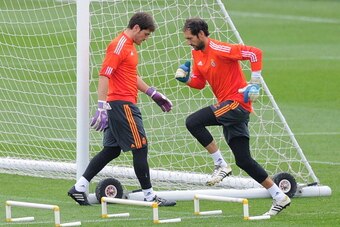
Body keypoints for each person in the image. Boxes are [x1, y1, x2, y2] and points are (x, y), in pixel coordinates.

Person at [175, 18, 291, 215]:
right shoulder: (196, 54)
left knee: (193, 122)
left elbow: (255, 53)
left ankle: (220, 164)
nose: (188, 42)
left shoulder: (221, 48)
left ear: (201, 34)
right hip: (229, 109)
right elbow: (200, 83)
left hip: (236, 104)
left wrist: (254, 82)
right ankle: (280, 196)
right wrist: (186, 79)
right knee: (244, 160)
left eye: (190, 38)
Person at [68, 12, 176, 207]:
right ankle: (150, 196)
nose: (146, 38)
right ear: (136, 28)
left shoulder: (130, 47)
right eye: (146, 34)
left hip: (120, 105)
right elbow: (104, 75)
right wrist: (101, 106)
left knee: (111, 150)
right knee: (141, 147)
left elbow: (130, 76)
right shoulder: (119, 46)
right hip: (122, 106)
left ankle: (79, 187)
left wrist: (153, 94)